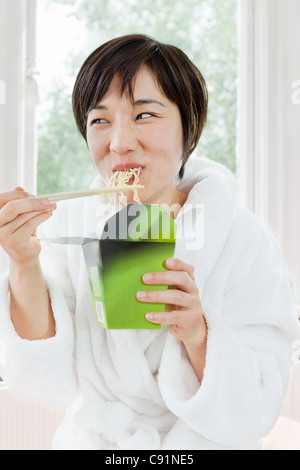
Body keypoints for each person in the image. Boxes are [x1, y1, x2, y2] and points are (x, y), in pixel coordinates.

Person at [0, 34, 299, 450]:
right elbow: (43, 377)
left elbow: (259, 402)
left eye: (144, 115)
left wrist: (197, 333)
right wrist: (23, 260)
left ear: (187, 130)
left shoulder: (242, 240)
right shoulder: (69, 228)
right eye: (100, 120)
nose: (119, 142)